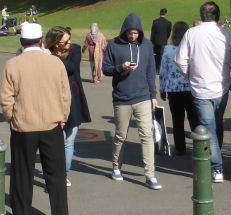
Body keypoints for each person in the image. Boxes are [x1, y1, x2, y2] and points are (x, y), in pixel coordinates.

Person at [0, 22, 72, 215]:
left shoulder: (13, 64)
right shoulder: (55, 63)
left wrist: (12, 118)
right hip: (52, 124)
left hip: (23, 126)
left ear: (21, 41)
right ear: (40, 40)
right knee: (55, 174)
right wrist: (62, 118)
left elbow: (6, 98)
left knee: (22, 173)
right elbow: (65, 95)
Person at [175, 1, 231, 183]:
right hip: (221, 88)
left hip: (201, 88)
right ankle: (217, 162)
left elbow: (180, 60)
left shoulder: (191, 34)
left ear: (202, 15)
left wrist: (189, 74)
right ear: (217, 15)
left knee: (211, 127)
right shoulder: (226, 35)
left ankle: (216, 166)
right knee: (214, 125)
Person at [102, 13, 161, 189]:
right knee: (120, 135)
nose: (133, 36)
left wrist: (153, 95)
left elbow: (151, 72)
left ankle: (150, 175)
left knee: (147, 136)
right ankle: (116, 167)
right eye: (130, 33)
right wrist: (121, 67)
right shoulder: (113, 45)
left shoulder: (147, 44)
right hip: (122, 98)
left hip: (142, 97)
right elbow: (105, 69)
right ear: (125, 31)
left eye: (136, 33)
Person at [45, 26, 91, 187]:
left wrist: (52, 58)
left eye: (69, 39)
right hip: (53, 99)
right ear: (56, 43)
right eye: (66, 41)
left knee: (69, 141)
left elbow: (72, 68)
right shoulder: (47, 53)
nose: (70, 43)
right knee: (57, 141)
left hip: (73, 100)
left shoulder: (75, 50)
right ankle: (54, 174)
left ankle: (63, 174)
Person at [158, 21, 198, 155]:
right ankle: (199, 145)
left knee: (177, 120)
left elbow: (163, 71)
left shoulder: (168, 49)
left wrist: (162, 89)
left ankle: (180, 148)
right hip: (190, 88)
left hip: (174, 90)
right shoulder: (192, 47)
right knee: (194, 118)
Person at [150, 8, 171, 72]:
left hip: (156, 41)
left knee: (156, 55)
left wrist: (152, 41)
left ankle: (156, 69)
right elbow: (168, 33)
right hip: (164, 41)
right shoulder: (168, 23)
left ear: (160, 13)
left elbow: (153, 32)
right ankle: (161, 69)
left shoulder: (155, 21)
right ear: (166, 14)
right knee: (162, 56)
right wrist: (166, 38)